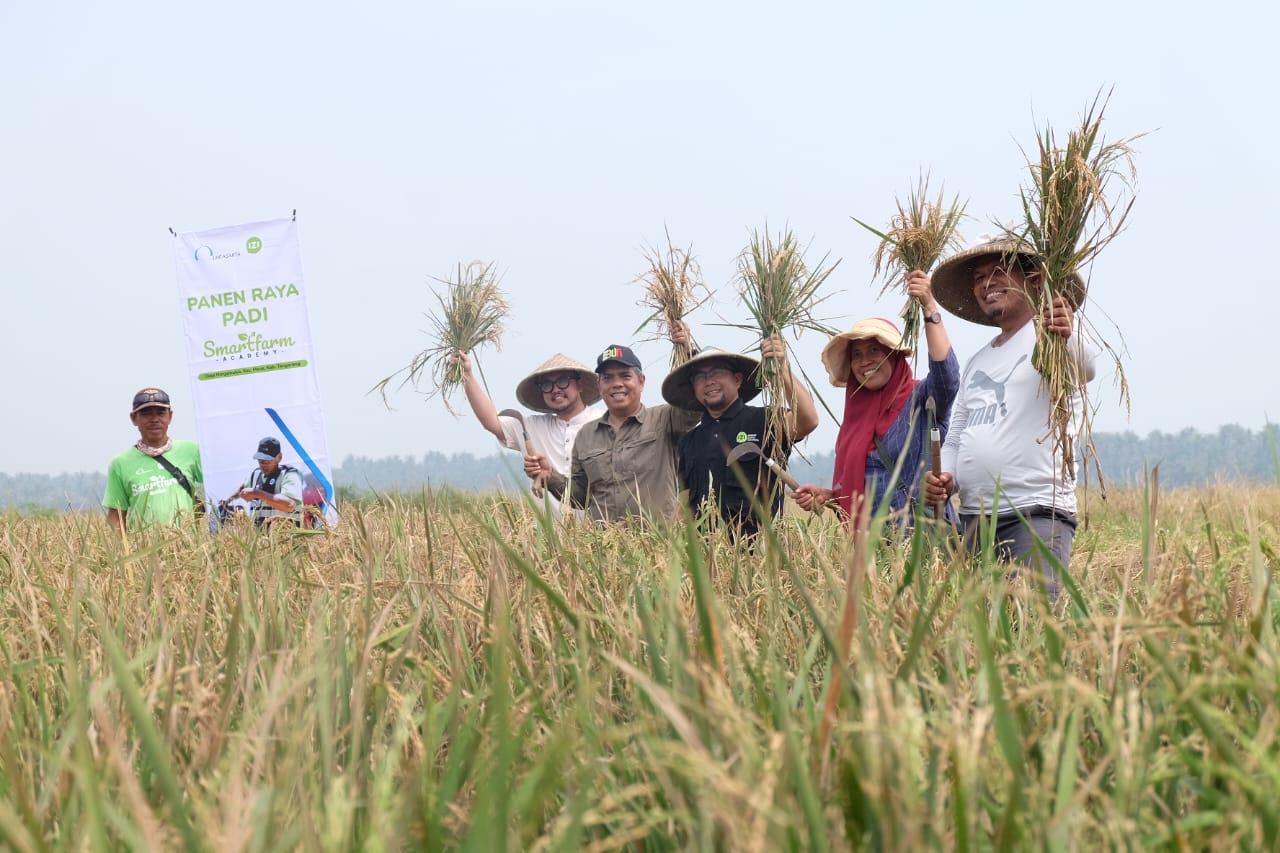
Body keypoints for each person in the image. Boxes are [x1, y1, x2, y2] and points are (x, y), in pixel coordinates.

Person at [922, 236, 1099, 596]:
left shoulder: (1053, 334)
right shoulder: (978, 361)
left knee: (1032, 618)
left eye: (999, 272)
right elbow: (956, 435)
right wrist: (946, 477)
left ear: (1034, 280)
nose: (987, 284)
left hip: (1035, 515)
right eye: (979, 277)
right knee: (981, 625)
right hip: (975, 520)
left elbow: (1086, 369)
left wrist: (1066, 332)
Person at [794, 273, 960, 528]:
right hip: (874, 543)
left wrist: (929, 307)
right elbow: (866, 485)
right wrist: (829, 497)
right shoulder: (855, 420)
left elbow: (947, 378)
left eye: (875, 350)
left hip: (923, 538)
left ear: (894, 356)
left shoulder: (922, 399)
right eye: (857, 355)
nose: (865, 361)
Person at [661, 334, 819, 538]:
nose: (709, 381)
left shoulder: (765, 420)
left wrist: (781, 367)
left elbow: (808, 420)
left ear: (737, 380)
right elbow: (685, 502)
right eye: (699, 377)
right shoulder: (690, 440)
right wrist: (671, 545)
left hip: (762, 548)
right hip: (709, 551)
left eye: (717, 372)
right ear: (694, 388)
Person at [527, 343, 700, 522]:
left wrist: (687, 352)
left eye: (625, 376)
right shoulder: (586, 435)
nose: (617, 384)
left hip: (656, 538)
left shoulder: (665, 419)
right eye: (608, 378)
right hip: (604, 538)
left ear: (641, 382)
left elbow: (693, 406)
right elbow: (580, 498)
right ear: (599, 385)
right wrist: (550, 476)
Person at [457, 350, 604, 492]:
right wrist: (467, 374)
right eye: (547, 385)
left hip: (597, 510)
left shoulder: (604, 422)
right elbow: (490, 421)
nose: (555, 390)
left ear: (579, 385)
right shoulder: (530, 427)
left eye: (562, 381)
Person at [103, 387, 204, 533]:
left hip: (188, 544)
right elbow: (116, 516)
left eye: (161, 413)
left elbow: (217, 490)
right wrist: (121, 546)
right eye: (146, 413)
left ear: (170, 416)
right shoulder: (120, 464)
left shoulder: (192, 452)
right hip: (143, 545)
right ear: (134, 418)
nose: (154, 419)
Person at [232, 436, 304, 526]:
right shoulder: (256, 474)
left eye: (267, 461)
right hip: (259, 533)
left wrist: (256, 493)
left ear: (279, 457)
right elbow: (242, 488)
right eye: (260, 461)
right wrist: (228, 500)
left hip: (284, 533)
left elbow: (289, 505)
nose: (263, 464)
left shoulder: (290, 475)